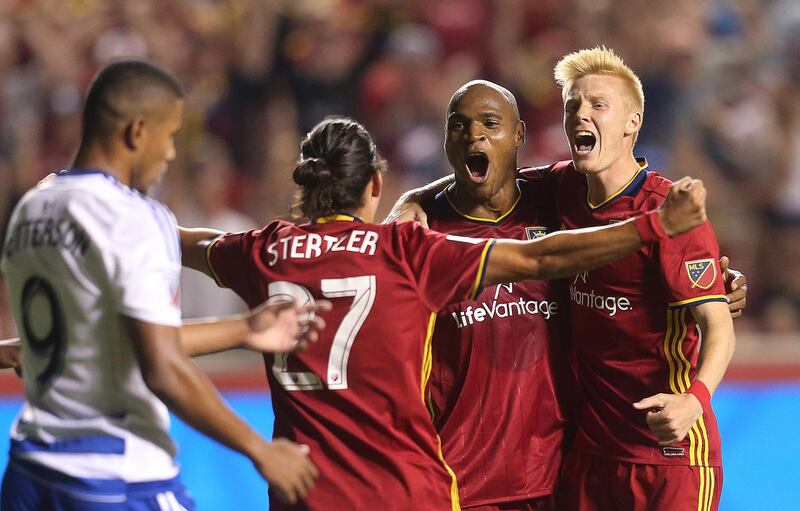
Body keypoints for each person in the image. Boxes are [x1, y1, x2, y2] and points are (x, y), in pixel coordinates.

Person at [180, 115, 710, 510]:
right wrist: (654, 226)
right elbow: (542, 256)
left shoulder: (263, 250)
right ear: (374, 186)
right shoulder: (404, 252)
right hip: (403, 490)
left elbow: (183, 242)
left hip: (305, 492)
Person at [385, 80, 747, 511]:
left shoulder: (597, 205)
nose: (474, 135)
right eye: (459, 126)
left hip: (593, 465)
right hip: (483, 477)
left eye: (489, 123)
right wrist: (412, 197)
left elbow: (707, 315)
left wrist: (705, 310)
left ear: (519, 135)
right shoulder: (428, 234)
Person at [0, 59, 325, 510]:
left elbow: (117, 340)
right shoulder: (133, 218)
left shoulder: (31, 208)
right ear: (137, 131)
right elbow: (162, 366)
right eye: (170, 135)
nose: (171, 153)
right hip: (115, 476)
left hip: (29, 468)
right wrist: (261, 450)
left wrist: (245, 330)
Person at [549, 46, 733, 511]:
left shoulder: (671, 213)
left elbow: (718, 325)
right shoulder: (558, 189)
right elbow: (480, 190)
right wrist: (418, 200)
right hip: (589, 452)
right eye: (572, 105)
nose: (580, 115)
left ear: (632, 123)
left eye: (597, 105)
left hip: (668, 456)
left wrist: (695, 400)